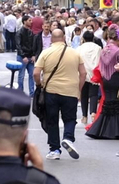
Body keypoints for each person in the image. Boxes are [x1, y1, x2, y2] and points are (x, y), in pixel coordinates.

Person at [35, 28, 84, 161]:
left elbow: (35, 73)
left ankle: (54, 149)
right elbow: (83, 73)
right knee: (70, 119)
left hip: (51, 91)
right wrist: (78, 89)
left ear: (51, 39)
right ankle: (68, 138)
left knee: (52, 120)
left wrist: (39, 85)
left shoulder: (46, 53)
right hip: (70, 91)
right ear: (64, 38)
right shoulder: (75, 53)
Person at [85, 31, 119, 141]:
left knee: (107, 104)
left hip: (105, 79)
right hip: (116, 77)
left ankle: (101, 129)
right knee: (117, 104)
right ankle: (117, 130)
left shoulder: (103, 50)